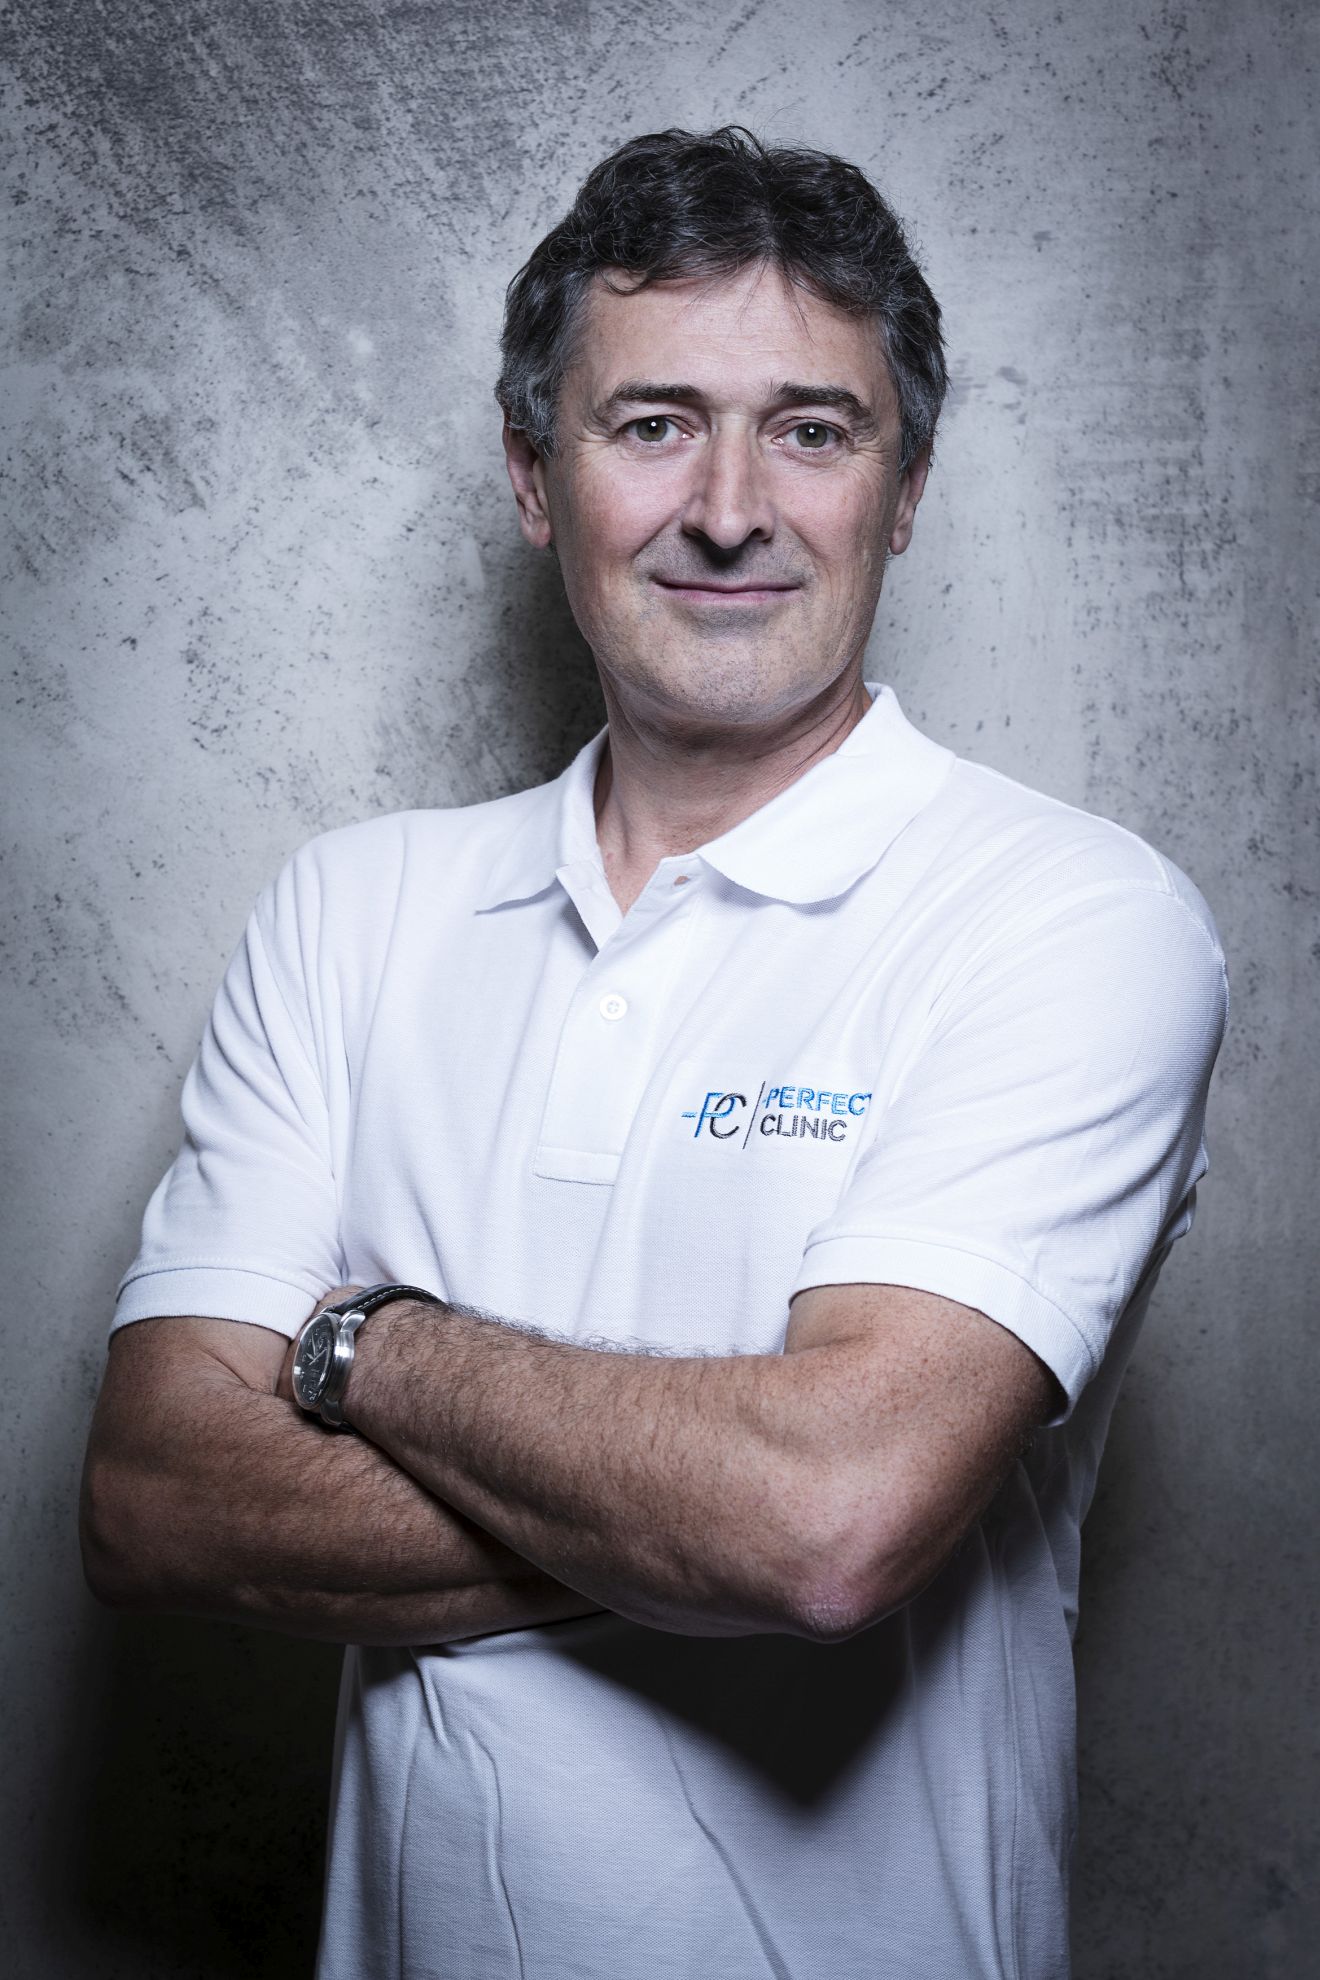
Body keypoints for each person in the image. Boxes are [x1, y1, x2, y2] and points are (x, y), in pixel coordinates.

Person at [80, 127, 1228, 1979]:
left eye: (813, 430)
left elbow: (828, 1524)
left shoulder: (1069, 917)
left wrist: (366, 1344)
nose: (729, 507)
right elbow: (154, 1500)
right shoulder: (352, 908)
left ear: (905, 490)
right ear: (535, 476)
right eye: (653, 424)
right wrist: (704, 1513)